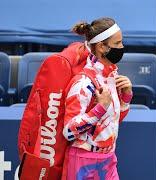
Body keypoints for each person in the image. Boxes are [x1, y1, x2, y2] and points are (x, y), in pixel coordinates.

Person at [61, 17, 133, 180]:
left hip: (108, 159)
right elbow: (69, 131)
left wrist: (126, 97)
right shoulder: (83, 83)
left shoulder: (112, 76)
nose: (122, 48)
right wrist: (99, 109)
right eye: (118, 43)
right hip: (83, 162)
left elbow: (113, 122)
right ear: (102, 47)